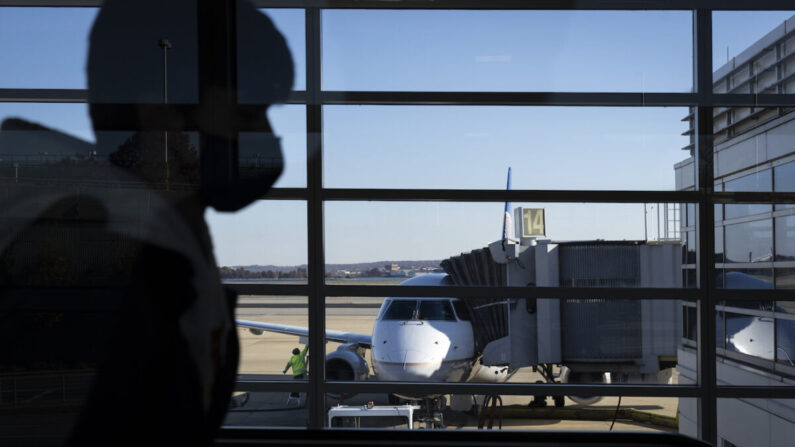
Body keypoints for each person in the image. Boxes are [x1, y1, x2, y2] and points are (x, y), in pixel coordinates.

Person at [0, 1, 293, 445]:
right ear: (162, 113)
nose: (268, 140)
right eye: (247, 115)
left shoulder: (177, 242)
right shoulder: (110, 262)